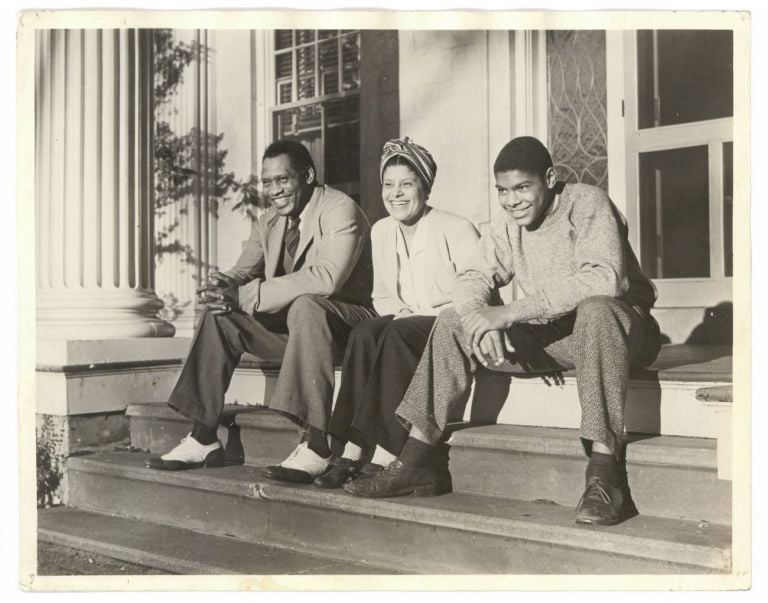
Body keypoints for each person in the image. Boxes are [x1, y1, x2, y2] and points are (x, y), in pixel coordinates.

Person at [346, 136, 661, 527]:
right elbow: (473, 275)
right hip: (558, 333)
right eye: (503, 191)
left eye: (522, 188)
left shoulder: (588, 202)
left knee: (596, 310)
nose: (513, 201)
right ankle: (416, 457)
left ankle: (604, 471)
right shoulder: (507, 222)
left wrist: (509, 312)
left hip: (620, 327)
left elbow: (603, 279)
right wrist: (480, 314)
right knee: (453, 320)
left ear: (549, 178)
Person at [146, 139, 376, 483]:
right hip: (297, 329)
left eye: (283, 180)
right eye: (267, 182)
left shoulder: (340, 209)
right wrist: (221, 287)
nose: (274, 190)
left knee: (308, 304)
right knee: (219, 314)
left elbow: (326, 278)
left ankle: (317, 445)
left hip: (348, 326)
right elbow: (243, 271)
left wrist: (244, 294)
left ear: (308, 176)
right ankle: (203, 437)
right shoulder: (269, 221)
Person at [311, 137, 479, 489]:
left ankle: (387, 451)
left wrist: (405, 318)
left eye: (407, 184)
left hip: (449, 327)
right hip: (405, 322)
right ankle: (351, 449)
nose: (396, 194)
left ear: (425, 187)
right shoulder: (382, 231)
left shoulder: (456, 228)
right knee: (364, 333)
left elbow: (474, 295)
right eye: (388, 185)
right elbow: (382, 295)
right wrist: (398, 311)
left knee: (395, 333)